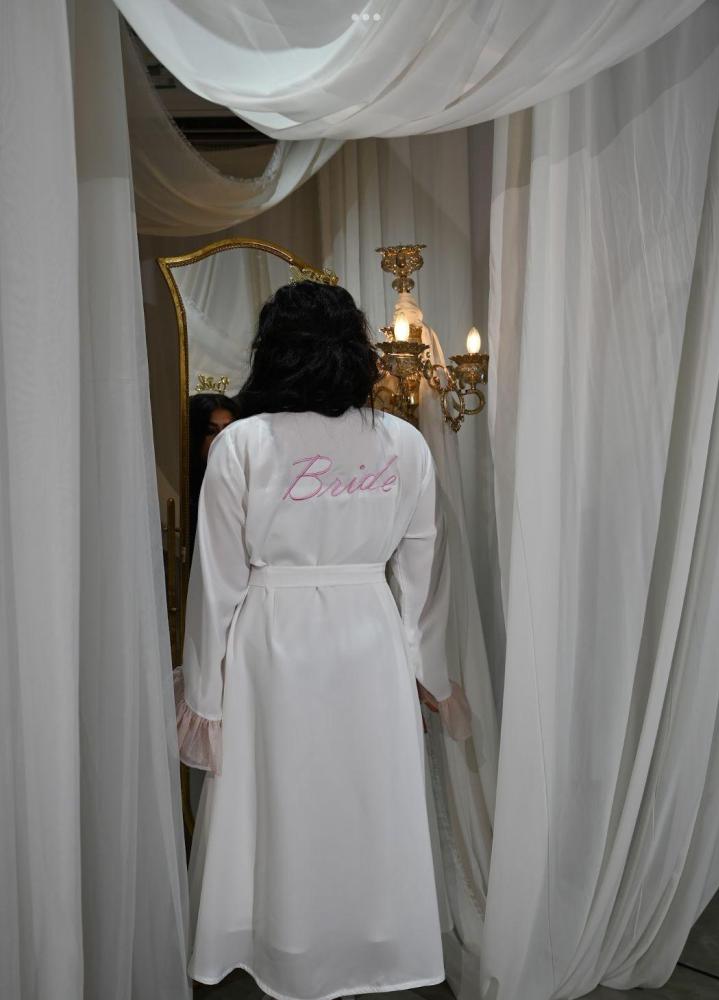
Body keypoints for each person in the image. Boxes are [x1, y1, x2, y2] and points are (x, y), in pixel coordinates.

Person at [173, 280, 471, 998]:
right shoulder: (403, 443)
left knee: (280, 796)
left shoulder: (242, 445)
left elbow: (215, 585)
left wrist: (204, 698)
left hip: (272, 643)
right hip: (368, 639)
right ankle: (369, 939)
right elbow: (422, 577)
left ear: (271, 351)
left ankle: (280, 938)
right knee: (366, 793)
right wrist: (427, 671)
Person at [188, 393, 240, 553]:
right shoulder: (185, 490)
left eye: (229, 430)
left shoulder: (245, 483)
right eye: (211, 431)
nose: (222, 439)